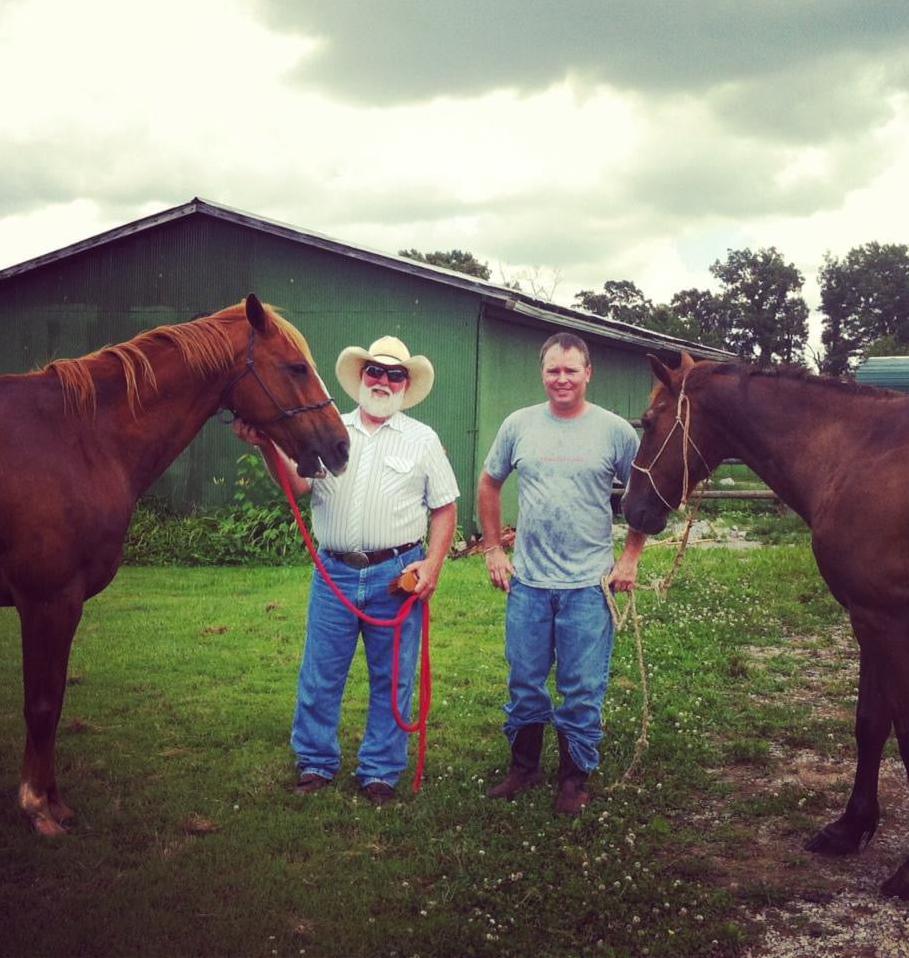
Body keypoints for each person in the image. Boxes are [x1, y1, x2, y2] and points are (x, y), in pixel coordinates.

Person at [234, 335, 458, 806]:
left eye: (394, 374)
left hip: (395, 575)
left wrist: (432, 565)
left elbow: (444, 508)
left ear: (406, 383)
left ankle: (379, 771)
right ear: (361, 377)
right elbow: (297, 486)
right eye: (374, 371)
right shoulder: (328, 429)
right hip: (333, 573)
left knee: (393, 677)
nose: (382, 380)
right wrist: (266, 446)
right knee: (320, 673)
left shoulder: (423, 440)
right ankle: (315, 763)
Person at [477, 331, 647, 815]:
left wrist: (630, 557)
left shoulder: (615, 432)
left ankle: (574, 778)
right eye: (553, 370)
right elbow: (490, 482)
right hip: (528, 583)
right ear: (542, 372)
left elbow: (643, 498)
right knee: (525, 681)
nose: (562, 379)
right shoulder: (519, 425)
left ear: (588, 373)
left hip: (590, 586)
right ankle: (523, 769)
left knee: (581, 688)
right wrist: (493, 548)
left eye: (572, 370)